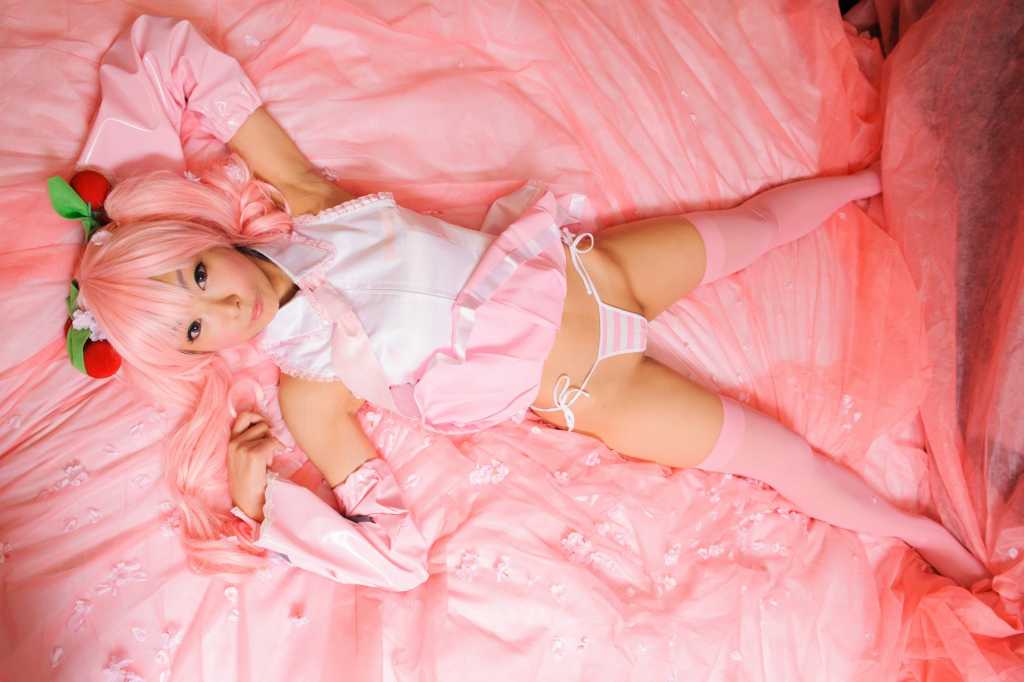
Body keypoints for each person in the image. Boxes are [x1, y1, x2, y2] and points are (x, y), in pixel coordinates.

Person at [63, 14, 989, 591]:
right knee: (775, 455)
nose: (223, 307)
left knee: (754, 223)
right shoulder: (308, 391)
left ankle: (871, 178)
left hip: (597, 272)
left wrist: (110, 191)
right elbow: (397, 556)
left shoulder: (308, 200)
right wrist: (264, 504)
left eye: (197, 276)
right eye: (195, 329)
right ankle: (913, 529)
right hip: (594, 390)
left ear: (204, 240)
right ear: (200, 356)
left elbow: (164, 53)